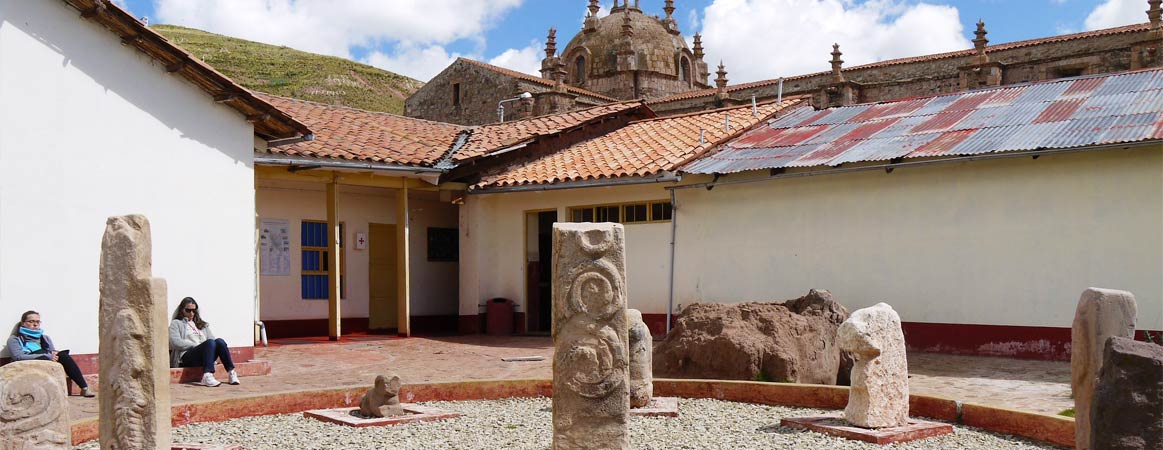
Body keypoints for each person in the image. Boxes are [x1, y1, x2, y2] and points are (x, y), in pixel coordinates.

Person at [7, 310, 95, 397]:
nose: (35, 324)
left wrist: (53, 354)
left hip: (46, 363)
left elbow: (52, 353)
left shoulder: (45, 338)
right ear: (23, 323)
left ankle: (84, 388)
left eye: (38, 322)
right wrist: (45, 356)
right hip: (29, 365)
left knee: (63, 356)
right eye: (31, 321)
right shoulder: (15, 339)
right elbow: (18, 357)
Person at [168, 297, 239, 387]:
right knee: (209, 343)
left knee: (219, 341)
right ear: (182, 310)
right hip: (186, 356)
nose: (191, 313)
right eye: (188, 310)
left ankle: (231, 372)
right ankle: (207, 375)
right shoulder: (176, 323)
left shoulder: (202, 324)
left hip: (204, 355)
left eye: (194, 310)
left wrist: (205, 347)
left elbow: (212, 340)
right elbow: (175, 342)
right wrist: (196, 345)